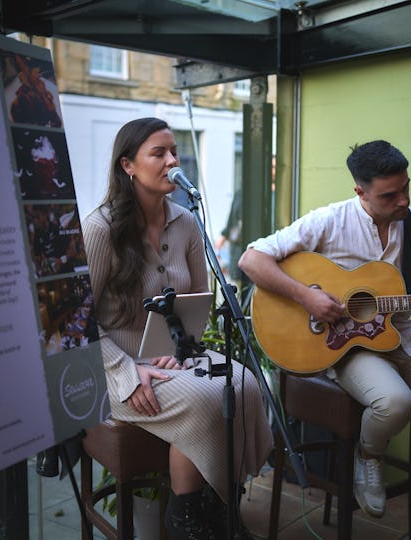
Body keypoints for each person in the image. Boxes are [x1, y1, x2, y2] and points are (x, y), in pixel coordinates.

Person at [238, 140, 411, 540]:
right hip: (344, 347)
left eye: (406, 188)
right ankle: (369, 454)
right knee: (396, 402)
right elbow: (251, 259)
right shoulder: (328, 221)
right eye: (389, 194)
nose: (402, 200)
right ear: (360, 191)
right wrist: (308, 296)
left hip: (404, 341)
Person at [82, 117, 273, 540]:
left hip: (174, 351)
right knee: (209, 399)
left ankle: (219, 508)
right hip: (117, 364)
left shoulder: (186, 221)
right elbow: (77, 323)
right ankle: (186, 518)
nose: (172, 161)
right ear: (128, 165)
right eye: (159, 153)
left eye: (175, 151)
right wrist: (126, 370)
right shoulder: (99, 229)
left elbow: (200, 297)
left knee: (243, 383)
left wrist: (179, 348)